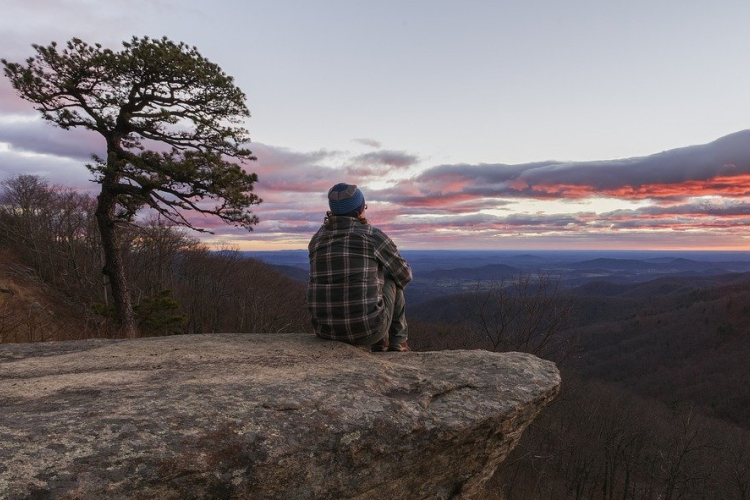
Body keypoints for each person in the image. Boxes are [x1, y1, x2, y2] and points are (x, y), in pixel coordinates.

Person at [307, 183, 412, 352]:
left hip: (325, 330)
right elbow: (404, 275)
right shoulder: (372, 236)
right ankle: (398, 343)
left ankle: (384, 343)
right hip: (368, 331)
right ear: (360, 210)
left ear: (332, 211)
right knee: (392, 275)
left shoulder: (317, 239)